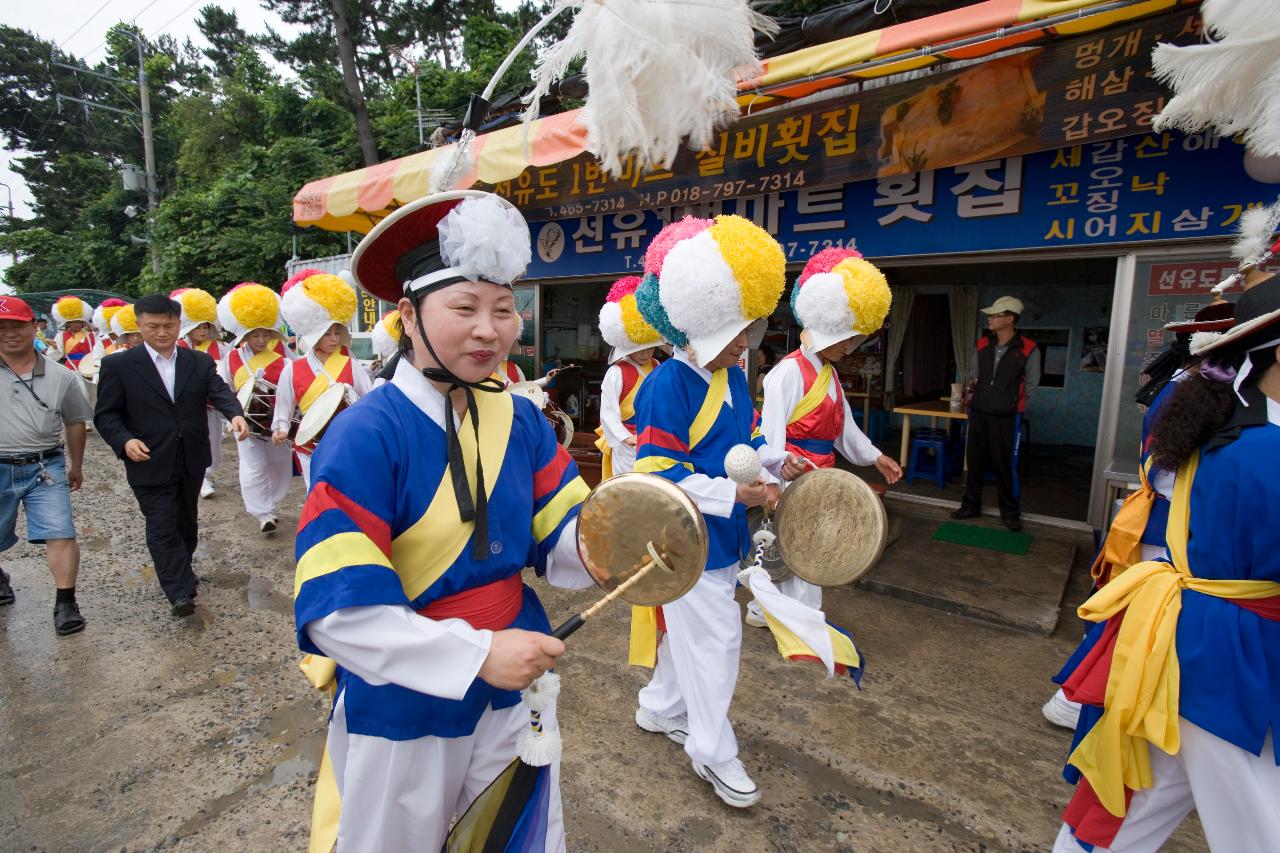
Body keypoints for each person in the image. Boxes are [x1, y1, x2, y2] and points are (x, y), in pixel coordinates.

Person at [295, 191, 594, 851]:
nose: (489, 330)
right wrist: (477, 653)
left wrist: (618, 540)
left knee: (518, 835)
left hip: (512, 686)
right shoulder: (364, 435)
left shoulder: (519, 419)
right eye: (464, 308)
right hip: (403, 697)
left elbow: (568, 532)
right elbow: (337, 611)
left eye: (503, 308)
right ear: (407, 315)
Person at [1051, 272, 1280, 852]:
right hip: (1231, 654)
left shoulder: (1224, 429)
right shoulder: (1259, 447)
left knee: (1130, 798)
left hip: (1185, 629)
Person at [629, 214, 790, 809]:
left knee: (693, 638)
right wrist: (735, 495)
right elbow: (655, 473)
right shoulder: (666, 384)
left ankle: (659, 708)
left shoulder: (732, 375)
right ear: (707, 322)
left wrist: (776, 462)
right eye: (739, 330)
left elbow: (739, 447)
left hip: (722, 534)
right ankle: (713, 752)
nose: (747, 341)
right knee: (717, 641)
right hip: (682, 538)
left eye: (750, 329)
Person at [1042, 298, 1236, 731]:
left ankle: (1085, 699)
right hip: (1167, 527)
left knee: (1134, 618)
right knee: (1134, 621)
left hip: (1165, 523)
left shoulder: (1192, 385)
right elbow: (1167, 470)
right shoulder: (1196, 390)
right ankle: (1078, 699)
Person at [747, 247, 902, 625]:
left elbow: (843, 427)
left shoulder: (829, 375)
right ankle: (779, 612)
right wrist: (772, 479)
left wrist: (874, 456)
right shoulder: (787, 372)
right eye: (846, 339)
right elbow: (768, 433)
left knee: (808, 545)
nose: (850, 348)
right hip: (794, 472)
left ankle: (790, 613)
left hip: (820, 473)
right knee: (791, 545)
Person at [93, 294, 249, 617]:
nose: (162, 332)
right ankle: (178, 591)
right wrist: (124, 442)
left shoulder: (199, 362)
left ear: (180, 325)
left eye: (169, 325)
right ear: (139, 325)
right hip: (147, 459)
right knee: (161, 524)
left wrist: (234, 414)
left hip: (190, 456)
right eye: (153, 326)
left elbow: (219, 391)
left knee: (186, 522)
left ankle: (183, 568)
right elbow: (106, 416)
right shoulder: (118, 365)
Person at [0, 296, 92, 635]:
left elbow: (75, 422)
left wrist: (77, 466)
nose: (10, 334)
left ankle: (66, 603)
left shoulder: (61, 376)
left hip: (45, 466)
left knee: (60, 531)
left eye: (17, 326)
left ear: (33, 326)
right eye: (2, 327)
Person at [272, 273, 373, 488]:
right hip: (310, 443)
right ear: (314, 335)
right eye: (328, 334)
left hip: (347, 439)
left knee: (348, 488)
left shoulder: (351, 365)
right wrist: (280, 428)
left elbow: (369, 399)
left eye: (337, 332)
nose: (334, 339)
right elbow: (284, 406)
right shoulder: (292, 370)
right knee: (316, 490)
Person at [951, 295, 1039, 531]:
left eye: (996, 315)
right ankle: (970, 506)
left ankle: (1010, 513)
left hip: (1007, 416)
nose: (990, 319)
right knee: (975, 461)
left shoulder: (1028, 348)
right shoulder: (982, 345)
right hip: (979, 412)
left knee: (1004, 465)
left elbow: (1031, 386)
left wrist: (1011, 404)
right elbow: (975, 376)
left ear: (1010, 319)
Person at [218, 283, 294, 534]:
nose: (261, 340)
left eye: (265, 334)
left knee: (279, 464)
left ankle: (271, 503)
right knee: (253, 467)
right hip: (247, 424)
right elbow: (224, 390)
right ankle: (264, 512)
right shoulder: (232, 358)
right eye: (255, 334)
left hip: (277, 424)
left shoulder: (285, 357)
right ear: (244, 335)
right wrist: (231, 417)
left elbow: (297, 383)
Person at [595, 275, 662, 477]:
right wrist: (625, 438)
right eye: (640, 349)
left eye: (650, 348)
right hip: (628, 442)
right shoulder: (616, 372)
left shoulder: (657, 365)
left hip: (655, 436)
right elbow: (608, 412)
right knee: (628, 488)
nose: (646, 354)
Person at [173, 287, 228, 499]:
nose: (203, 331)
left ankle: (207, 473)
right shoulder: (176, 347)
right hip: (187, 404)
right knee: (189, 439)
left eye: (206, 326)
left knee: (213, 440)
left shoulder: (219, 348)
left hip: (212, 404)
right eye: (198, 326)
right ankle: (198, 476)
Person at [49, 295, 96, 369]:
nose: (76, 324)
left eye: (78, 322)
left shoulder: (91, 335)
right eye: (73, 322)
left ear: (82, 322)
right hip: (70, 367)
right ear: (68, 323)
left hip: (89, 366)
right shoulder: (61, 335)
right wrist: (54, 347)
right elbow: (53, 356)